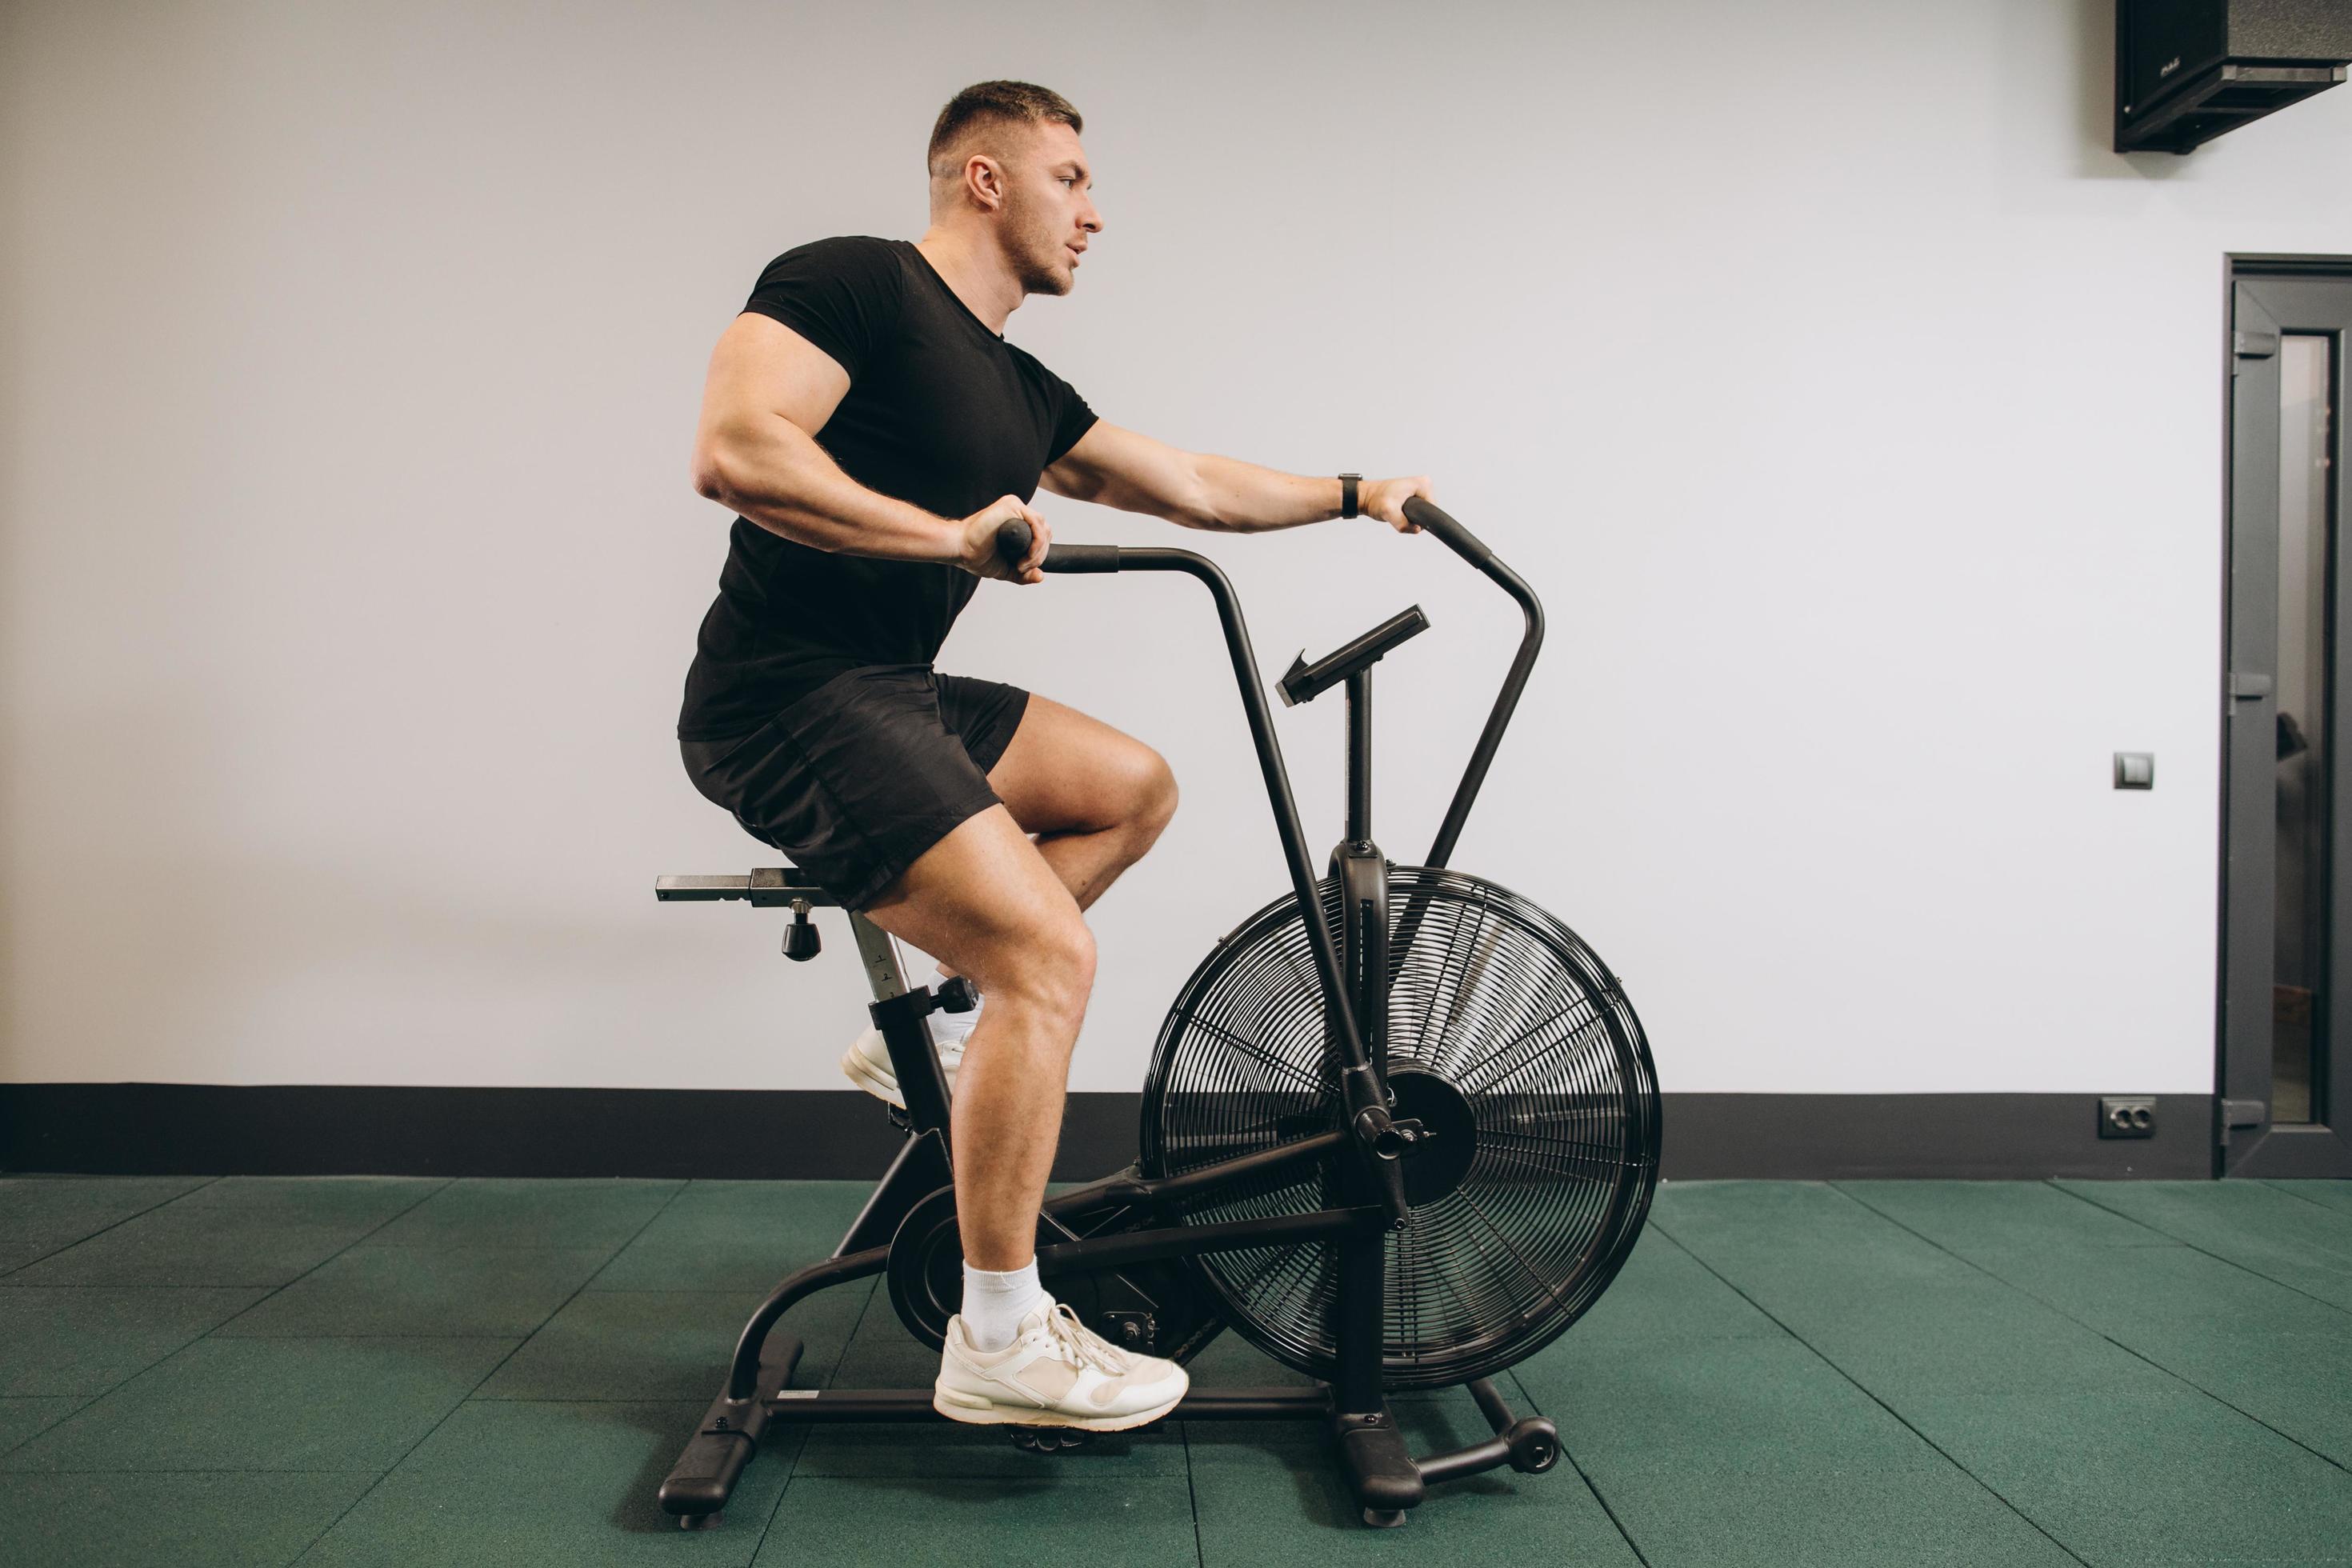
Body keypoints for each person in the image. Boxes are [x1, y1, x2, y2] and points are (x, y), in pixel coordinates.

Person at [677, 79, 1434, 1433]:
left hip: (889, 693)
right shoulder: (849, 284)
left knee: (1132, 789)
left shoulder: (1016, 385)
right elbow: (737, 450)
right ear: (985, 178)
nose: (1096, 210)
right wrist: (950, 535)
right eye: (1072, 178)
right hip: (783, 700)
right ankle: (1002, 1331)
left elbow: (1191, 485)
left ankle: (950, 1024)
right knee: (1050, 956)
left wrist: (1353, 493)